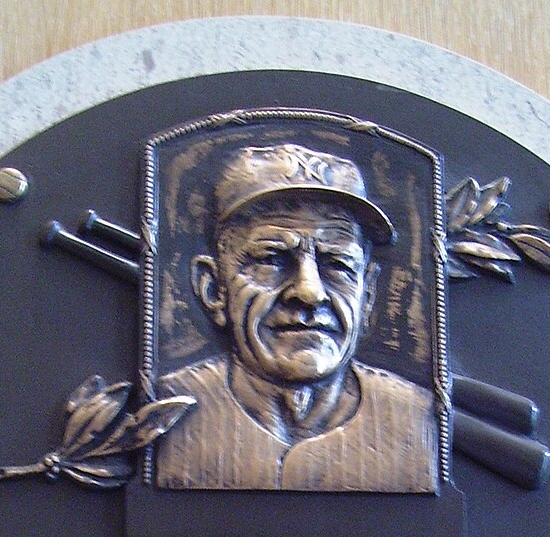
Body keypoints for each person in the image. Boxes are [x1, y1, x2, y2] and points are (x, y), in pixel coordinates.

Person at [155, 142, 438, 492]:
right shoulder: (165, 412)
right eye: (271, 259)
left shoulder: (418, 419)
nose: (309, 292)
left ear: (368, 296)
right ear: (214, 289)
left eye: (337, 265)